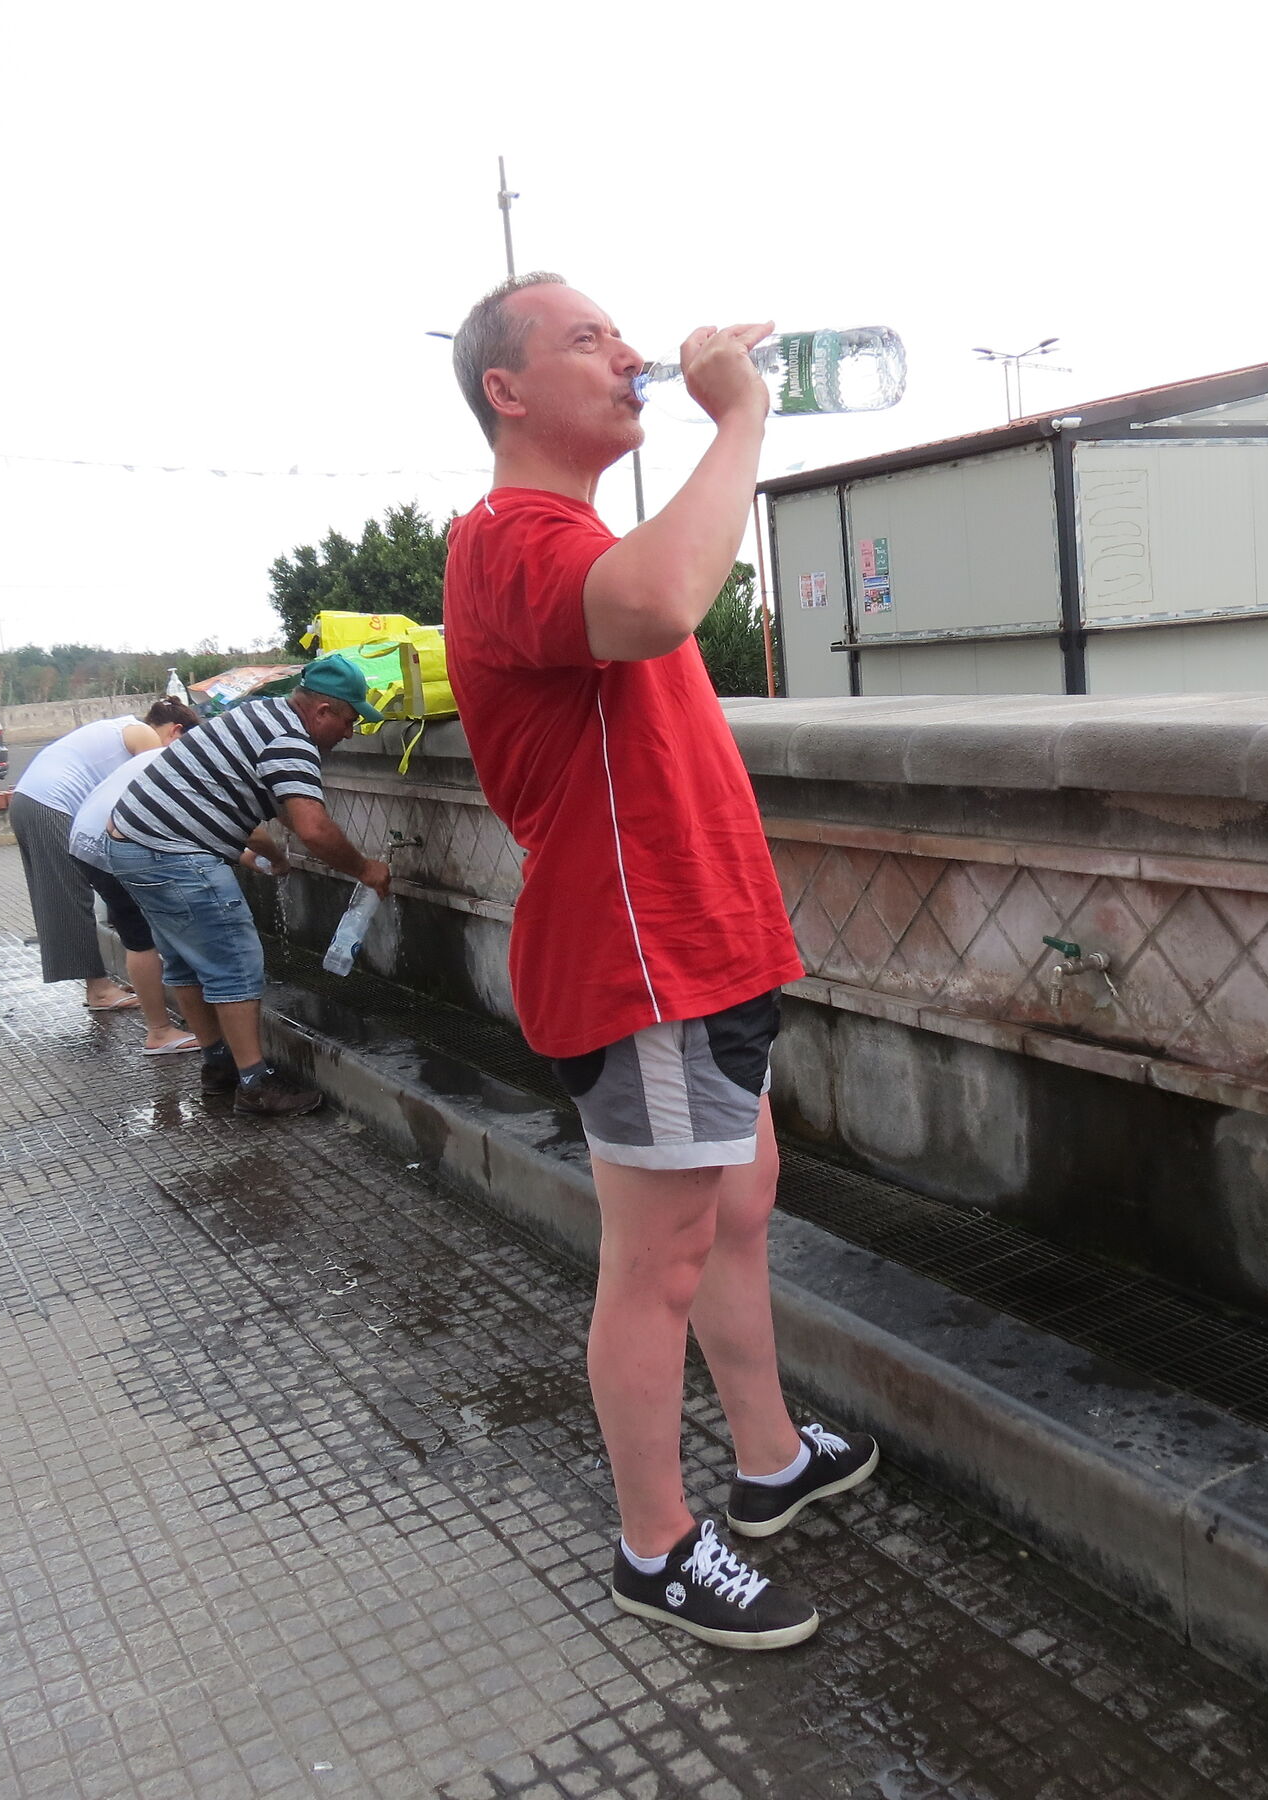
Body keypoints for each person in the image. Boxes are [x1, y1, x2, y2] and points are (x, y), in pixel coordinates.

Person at [443, 275, 878, 1651]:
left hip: (702, 948)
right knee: (659, 1259)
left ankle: (768, 1460)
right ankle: (657, 1546)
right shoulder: (510, 536)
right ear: (507, 393)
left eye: (624, 338)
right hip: (645, 972)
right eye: (588, 340)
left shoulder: (566, 531)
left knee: (738, 1205)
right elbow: (663, 601)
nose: (627, 356)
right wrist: (739, 419)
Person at [94, 662, 391, 1117]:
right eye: (350, 722)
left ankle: (218, 1066)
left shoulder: (265, 713)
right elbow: (312, 826)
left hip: (129, 842)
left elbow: (284, 806)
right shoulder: (291, 740)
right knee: (235, 961)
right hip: (171, 850)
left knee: (185, 960)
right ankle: (254, 1084)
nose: (349, 734)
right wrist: (365, 869)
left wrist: (278, 853)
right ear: (324, 710)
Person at [10, 698, 203, 1054]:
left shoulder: (120, 728)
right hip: (52, 804)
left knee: (65, 893)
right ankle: (99, 989)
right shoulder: (145, 736)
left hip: (29, 799)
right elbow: (155, 789)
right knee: (71, 897)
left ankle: (97, 986)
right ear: (175, 732)